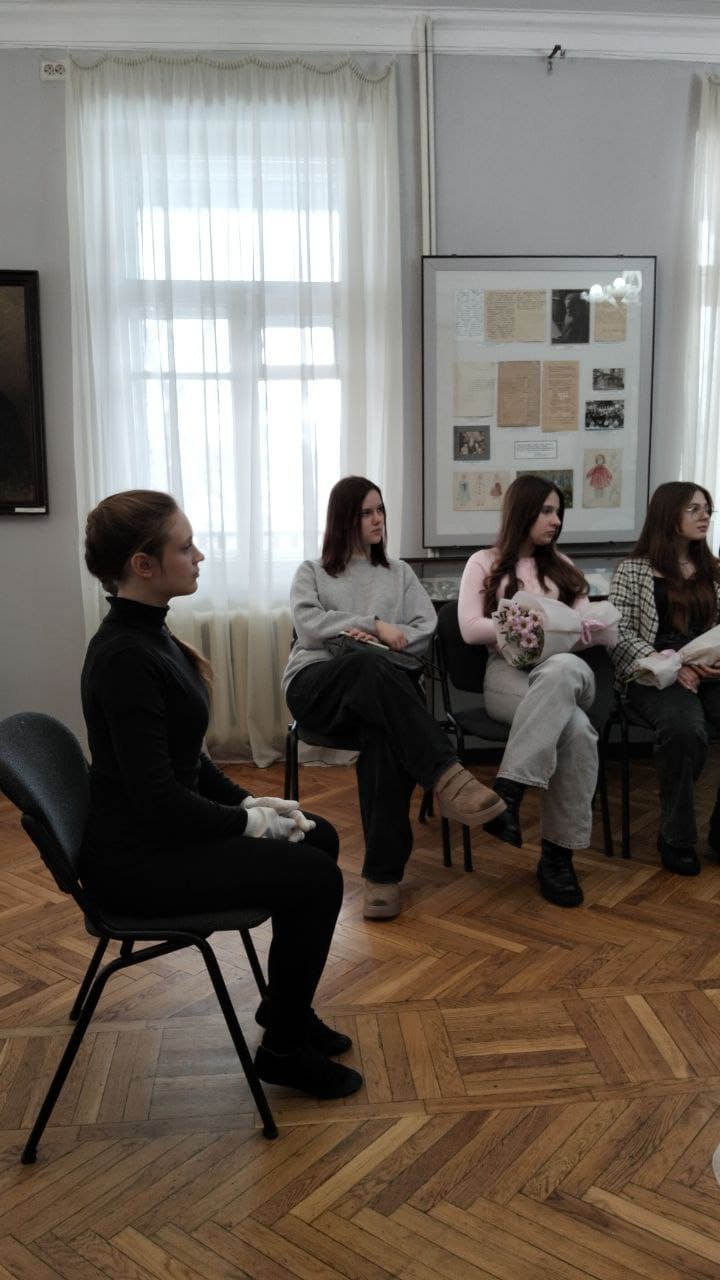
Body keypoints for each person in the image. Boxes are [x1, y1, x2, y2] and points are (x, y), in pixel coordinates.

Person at [81, 489, 363, 1101]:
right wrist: (247, 825)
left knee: (320, 838)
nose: (200, 556)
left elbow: (190, 760)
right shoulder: (126, 658)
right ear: (143, 565)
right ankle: (283, 1050)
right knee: (316, 878)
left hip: (160, 838)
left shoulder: (149, 636)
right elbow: (159, 799)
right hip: (137, 865)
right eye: (185, 547)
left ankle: (285, 1010)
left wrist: (247, 803)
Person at [283, 475, 508, 921]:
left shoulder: (399, 572)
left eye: (380, 510)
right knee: (367, 667)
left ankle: (382, 878)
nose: (378, 520)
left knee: (384, 732)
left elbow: (425, 629)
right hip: (317, 684)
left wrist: (378, 639)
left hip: (381, 696)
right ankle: (448, 778)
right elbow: (309, 628)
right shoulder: (312, 571)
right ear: (343, 518)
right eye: (366, 512)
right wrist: (375, 626)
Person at [457, 474, 599, 908]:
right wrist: (520, 628)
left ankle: (509, 791)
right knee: (577, 731)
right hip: (508, 673)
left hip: (568, 671)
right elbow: (469, 628)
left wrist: (584, 629)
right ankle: (557, 857)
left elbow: (585, 625)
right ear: (523, 511)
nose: (556, 521)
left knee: (561, 669)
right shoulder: (483, 563)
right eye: (547, 511)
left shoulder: (564, 567)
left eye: (559, 512)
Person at [609, 481, 720, 875]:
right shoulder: (632, 570)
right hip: (652, 673)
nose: (705, 516)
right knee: (684, 729)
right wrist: (673, 664)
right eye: (694, 509)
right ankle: (677, 836)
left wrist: (712, 661)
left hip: (709, 669)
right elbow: (619, 633)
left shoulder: (714, 569)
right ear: (668, 513)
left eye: (708, 509)